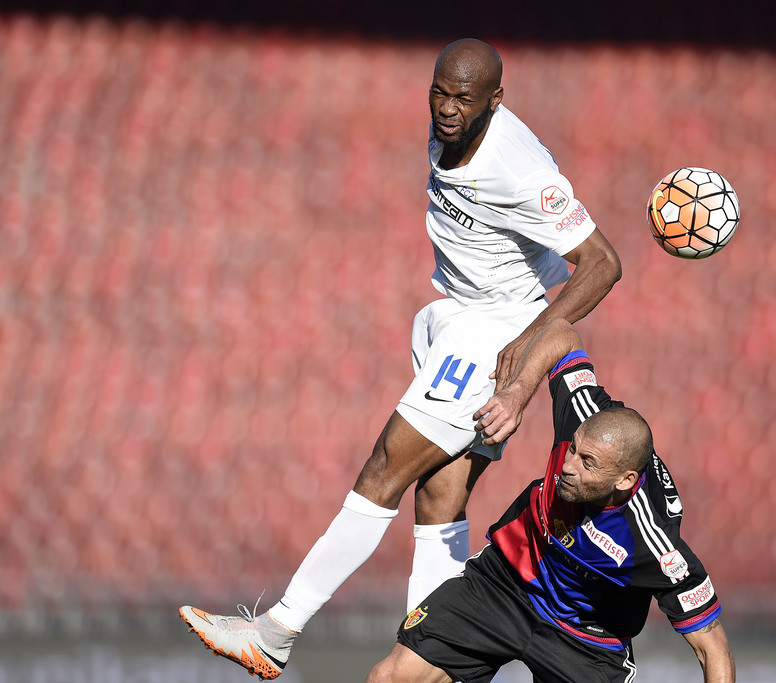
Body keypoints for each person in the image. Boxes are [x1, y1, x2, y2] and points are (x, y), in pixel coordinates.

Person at [179, 38, 621, 680]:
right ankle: (431, 658)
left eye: (463, 98)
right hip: (454, 316)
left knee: (384, 467)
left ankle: (275, 632)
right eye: (439, 92)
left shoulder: (519, 167)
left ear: (496, 101)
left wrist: (527, 356)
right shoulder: (450, 131)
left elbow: (603, 263)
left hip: (494, 326)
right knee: (440, 495)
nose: (446, 107)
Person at [366, 318, 736, 683]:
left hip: (587, 638)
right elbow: (561, 333)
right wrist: (517, 392)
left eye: (586, 463)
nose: (567, 466)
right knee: (390, 677)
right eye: (573, 449)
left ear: (624, 481)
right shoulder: (583, 412)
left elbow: (712, 648)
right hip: (507, 583)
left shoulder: (657, 547)